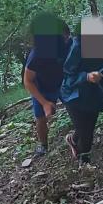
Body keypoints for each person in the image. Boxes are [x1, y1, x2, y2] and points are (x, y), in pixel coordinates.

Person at [61, 16, 103, 165]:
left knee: (88, 126)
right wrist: (86, 77)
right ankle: (84, 162)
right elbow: (67, 77)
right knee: (86, 134)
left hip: (95, 94)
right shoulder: (80, 45)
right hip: (74, 95)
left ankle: (73, 139)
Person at [23, 15, 71, 156]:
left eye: (66, 37)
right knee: (41, 117)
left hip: (62, 82)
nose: (65, 40)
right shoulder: (37, 55)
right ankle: (43, 144)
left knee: (74, 104)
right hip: (42, 87)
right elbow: (28, 81)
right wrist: (44, 103)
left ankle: (80, 132)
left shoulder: (69, 44)